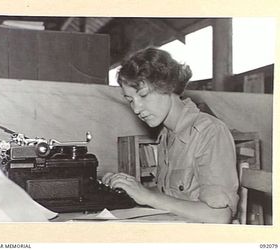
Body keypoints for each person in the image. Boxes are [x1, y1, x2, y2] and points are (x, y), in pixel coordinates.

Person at [102, 47, 239, 224]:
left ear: (168, 87)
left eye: (143, 95)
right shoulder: (166, 134)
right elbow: (171, 197)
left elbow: (220, 216)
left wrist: (148, 197)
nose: (136, 109)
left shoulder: (209, 132)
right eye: (130, 100)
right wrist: (129, 187)